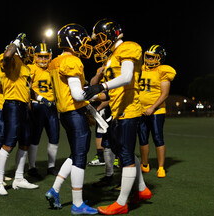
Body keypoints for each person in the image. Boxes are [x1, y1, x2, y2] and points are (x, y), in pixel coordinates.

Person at [84, 19, 152, 215]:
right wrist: (91, 95)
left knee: (126, 156)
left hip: (129, 108)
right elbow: (111, 91)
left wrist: (101, 86)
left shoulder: (128, 47)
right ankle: (141, 189)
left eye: (99, 39)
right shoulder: (111, 57)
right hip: (118, 109)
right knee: (122, 151)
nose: (97, 43)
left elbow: (127, 77)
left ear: (112, 34)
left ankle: (122, 202)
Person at [44, 23, 98, 215]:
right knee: (80, 158)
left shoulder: (55, 62)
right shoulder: (71, 62)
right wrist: (96, 94)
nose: (84, 45)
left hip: (64, 114)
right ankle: (77, 203)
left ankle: (54, 190)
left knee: (75, 154)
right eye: (81, 41)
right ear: (72, 41)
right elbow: (77, 94)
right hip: (75, 113)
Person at [0, 33, 39, 196]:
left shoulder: (26, 67)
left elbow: (27, 89)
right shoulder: (11, 60)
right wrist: (17, 42)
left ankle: (19, 178)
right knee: (9, 143)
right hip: (12, 104)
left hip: (24, 106)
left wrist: (38, 98)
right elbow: (7, 55)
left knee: (25, 142)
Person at [138, 45, 176, 178]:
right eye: (147, 56)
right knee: (142, 138)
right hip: (141, 110)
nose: (149, 59)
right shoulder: (140, 69)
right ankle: (145, 164)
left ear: (160, 58)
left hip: (156, 110)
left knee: (157, 137)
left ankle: (161, 167)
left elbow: (165, 94)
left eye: (152, 57)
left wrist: (152, 107)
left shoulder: (163, 71)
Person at [28, 43, 60, 177]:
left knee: (54, 136)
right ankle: (31, 167)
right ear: (35, 57)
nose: (43, 59)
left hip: (52, 107)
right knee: (35, 137)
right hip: (37, 106)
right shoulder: (31, 68)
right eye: (40, 56)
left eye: (45, 56)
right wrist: (41, 98)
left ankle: (51, 166)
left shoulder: (53, 68)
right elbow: (27, 88)